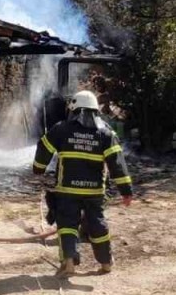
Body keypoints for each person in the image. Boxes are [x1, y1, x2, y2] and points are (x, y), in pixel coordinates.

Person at [32, 90, 133, 277]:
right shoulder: (106, 134)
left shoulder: (62, 128)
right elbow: (117, 164)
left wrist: (38, 169)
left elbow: (43, 147)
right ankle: (105, 263)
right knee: (97, 225)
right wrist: (126, 191)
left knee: (67, 224)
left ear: (74, 108)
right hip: (94, 191)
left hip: (68, 189)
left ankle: (68, 262)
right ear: (95, 111)